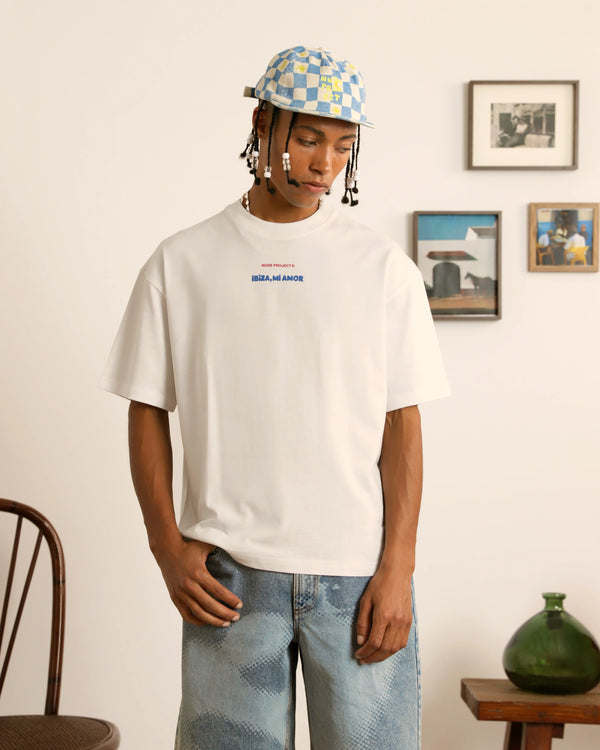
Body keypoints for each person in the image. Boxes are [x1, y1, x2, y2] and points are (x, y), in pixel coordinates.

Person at [101, 45, 449, 750]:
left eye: (343, 147)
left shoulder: (382, 268)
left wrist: (399, 567)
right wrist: (166, 546)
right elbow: (146, 407)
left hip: (357, 576)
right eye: (310, 138)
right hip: (230, 579)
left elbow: (402, 424)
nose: (325, 164)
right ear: (263, 125)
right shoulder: (183, 261)